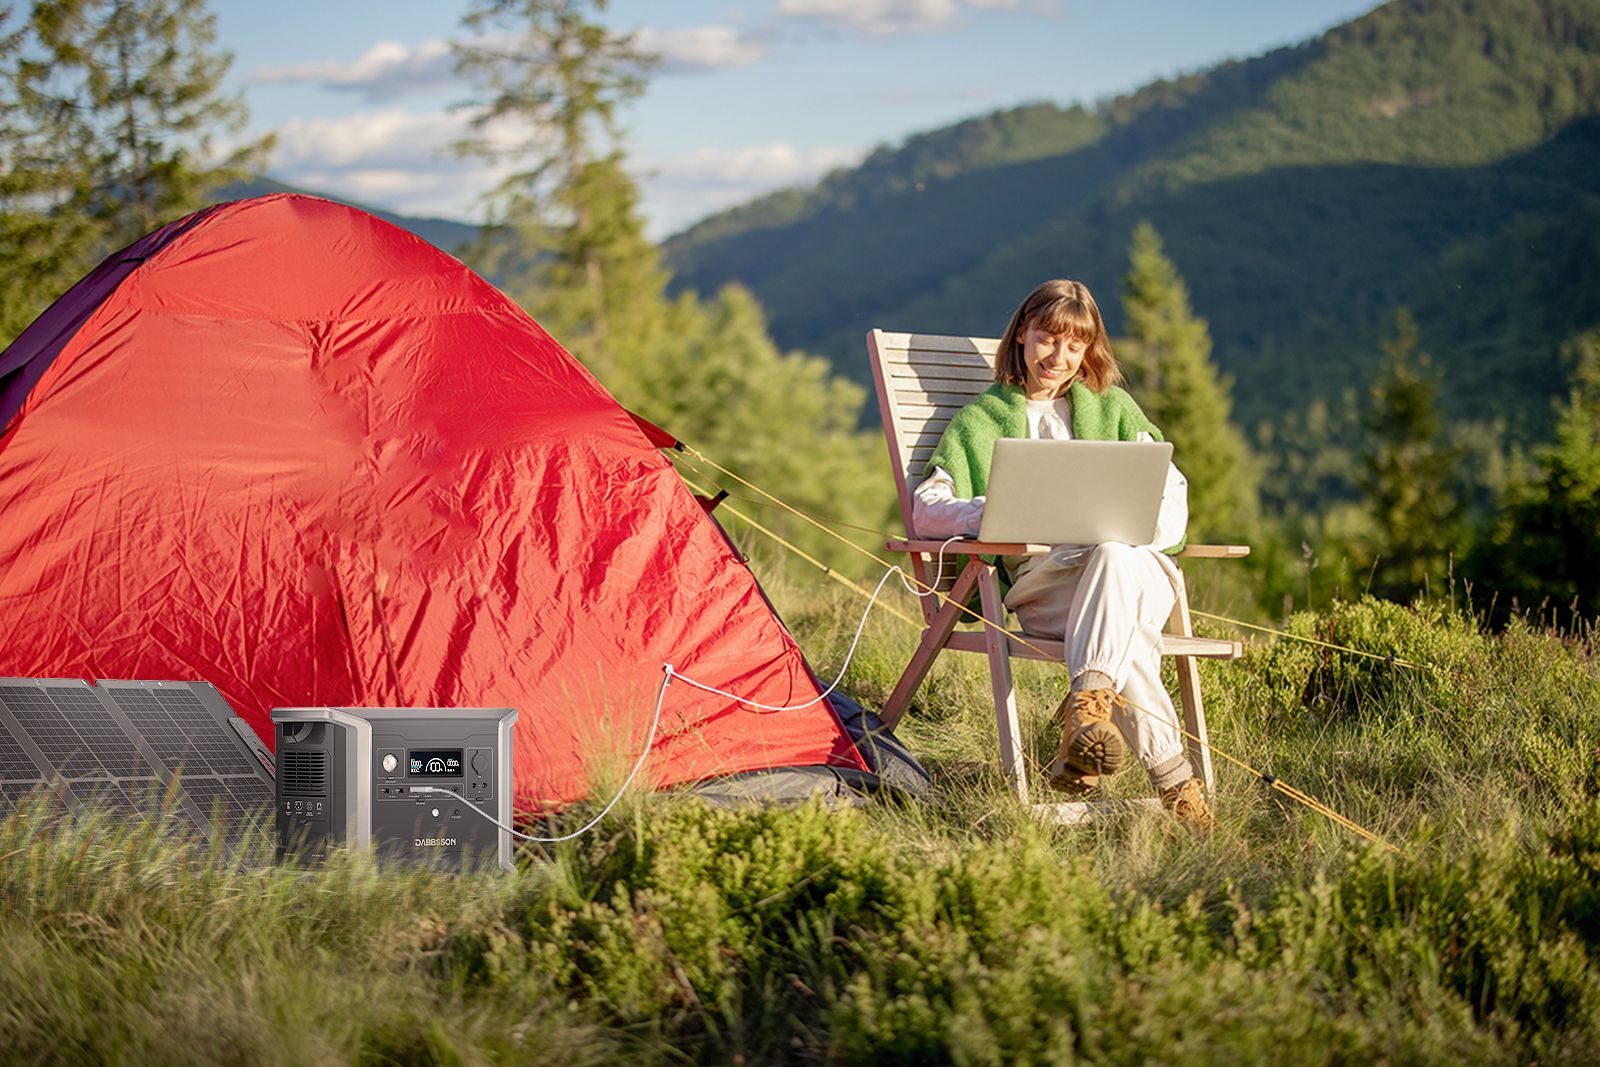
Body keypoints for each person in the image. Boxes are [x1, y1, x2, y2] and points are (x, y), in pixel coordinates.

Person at [912, 278, 1213, 827]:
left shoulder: (1115, 408)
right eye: (1049, 339)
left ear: (1089, 349)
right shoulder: (981, 420)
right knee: (1123, 623)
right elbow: (928, 507)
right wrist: (998, 510)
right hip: (1049, 584)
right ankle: (1171, 779)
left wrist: (1130, 530)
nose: (1060, 357)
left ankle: (1091, 715)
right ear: (1023, 334)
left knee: (1117, 556)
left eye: (1075, 346)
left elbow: (1171, 492)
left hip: (1136, 574)